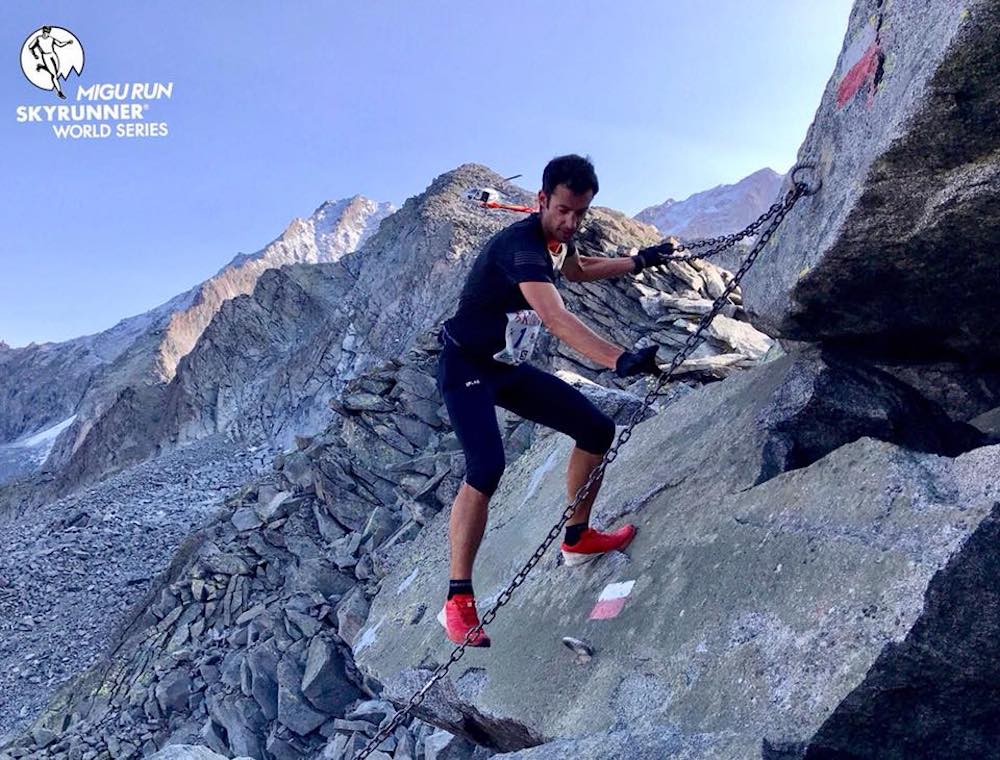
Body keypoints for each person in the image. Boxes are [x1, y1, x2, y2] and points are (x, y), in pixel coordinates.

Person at [435, 154, 675, 646]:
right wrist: (618, 359)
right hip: (465, 369)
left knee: (595, 430)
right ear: (541, 200)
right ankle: (456, 600)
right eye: (563, 210)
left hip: (504, 367)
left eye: (580, 213)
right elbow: (555, 317)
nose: (571, 223)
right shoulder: (520, 247)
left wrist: (638, 261)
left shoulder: (552, 240)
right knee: (486, 465)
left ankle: (577, 539)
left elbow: (578, 268)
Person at [28, 26, 74, 100]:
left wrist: (67, 42)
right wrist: (34, 55)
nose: (47, 34)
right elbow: (30, 47)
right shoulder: (38, 38)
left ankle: (42, 66)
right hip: (45, 56)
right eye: (46, 32)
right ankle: (59, 92)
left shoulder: (51, 39)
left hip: (53, 54)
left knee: (56, 72)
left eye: (48, 32)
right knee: (54, 75)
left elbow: (60, 44)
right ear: (43, 31)